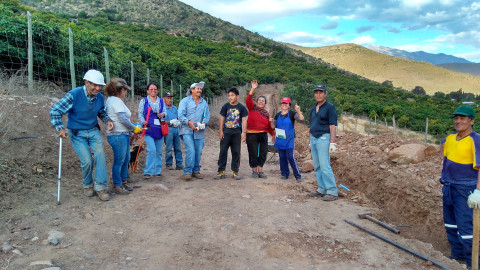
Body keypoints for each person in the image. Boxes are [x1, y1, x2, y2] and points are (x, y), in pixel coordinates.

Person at [50, 69, 113, 201]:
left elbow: (101, 111)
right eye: (94, 85)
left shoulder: (100, 97)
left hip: (93, 130)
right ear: (86, 82)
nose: (97, 88)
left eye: (99, 85)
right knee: (87, 161)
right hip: (77, 132)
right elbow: (55, 110)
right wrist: (60, 128)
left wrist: (108, 121)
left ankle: (101, 187)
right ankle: (88, 184)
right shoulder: (74, 95)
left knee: (100, 155)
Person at [440, 105, 480, 267]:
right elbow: (445, 159)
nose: (458, 121)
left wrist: (477, 191)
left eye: (462, 118)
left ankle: (473, 263)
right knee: (450, 224)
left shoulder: (476, 140)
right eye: (456, 118)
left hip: (465, 189)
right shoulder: (450, 139)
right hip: (449, 187)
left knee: (466, 228)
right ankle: (457, 257)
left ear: (472, 121)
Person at [105, 78, 142, 195]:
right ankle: (117, 184)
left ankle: (122, 181)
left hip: (121, 134)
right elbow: (122, 119)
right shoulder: (116, 101)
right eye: (125, 89)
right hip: (118, 134)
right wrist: (133, 128)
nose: (126, 92)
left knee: (125, 159)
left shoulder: (112, 100)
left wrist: (130, 131)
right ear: (119, 89)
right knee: (120, 160)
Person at [307, 85, 339, 201]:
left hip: (324, 138)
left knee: (325, 165)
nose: (318, 95)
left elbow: (332, 126)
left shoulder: (329, 107)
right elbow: (311, 126)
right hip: (314, 139)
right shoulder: (313, 108)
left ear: (325, 94)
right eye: (316, 92)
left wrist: (332, 143)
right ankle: (322, 189)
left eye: (321, 92)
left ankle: (332, 191)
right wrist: (310, 143)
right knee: (317, 165)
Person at [178, 81, 210, 180]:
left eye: (200, 89)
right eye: (198, 88)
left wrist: (204, 123)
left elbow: (206, 115)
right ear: (192, 90)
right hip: (187, 129)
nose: (200, 90)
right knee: (190, 150)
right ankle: (187, 171)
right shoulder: (185, 101)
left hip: (199, 131)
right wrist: (189, 122)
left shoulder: (204, 102)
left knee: (198, 151)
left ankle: (196, 171)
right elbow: (180, 115)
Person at [215, 88, 248, 180]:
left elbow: (244, 120)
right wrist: (221, 131)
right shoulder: (225, 106)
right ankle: (221, 171)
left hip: (237, 132)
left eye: (232, 95)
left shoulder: (241, 107)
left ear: (237, 96)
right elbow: (222, 118)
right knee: (223, 151)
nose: (230, 97)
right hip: (226, 132)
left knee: (236, 152)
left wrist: (244, 133)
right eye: (229, 96)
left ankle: (235, 171)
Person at [245, 80, 275, 178]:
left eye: (263, 101)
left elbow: (269, 127)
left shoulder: (266, 113)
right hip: (251, 134)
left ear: (265, 103)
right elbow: (248, 100)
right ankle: (254, 171)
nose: (261, 102)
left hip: (263, 134)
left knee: (263, 152)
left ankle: (260, 170)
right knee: (253, 152)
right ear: (257, 102)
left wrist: (273, 134)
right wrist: (253, 88)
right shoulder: (252, 108)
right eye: (259, 100)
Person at [272, 96, 304, 182]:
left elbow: (301, 119)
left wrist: (298, 111)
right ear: (281, 104)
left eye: (286, 103)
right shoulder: (277, 115)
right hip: (280, 139)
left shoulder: (292, 114)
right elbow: (273, 126)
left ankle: (297, 175)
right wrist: (270, 121)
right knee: (282, 157)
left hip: (289, 139)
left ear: (289, 105)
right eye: (283, 103)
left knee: (290, 157)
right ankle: (285, 173)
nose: (284, 105)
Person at [138, 82, 166, 179]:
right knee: (152, 149)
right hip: (149, 128)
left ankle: (157, 171)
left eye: (155, 89)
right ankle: (148, 171)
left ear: (157, 90)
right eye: (151, 89)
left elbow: (165, 112)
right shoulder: (144, 101)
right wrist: (143, 121)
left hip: (159, 129)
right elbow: (140, 114)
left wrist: (163, 114)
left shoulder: (162, 101)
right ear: (147, 91)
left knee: (158, 151)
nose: (153, 91)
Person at [162, 92, 183, 170]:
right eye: (168, 98)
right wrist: (170, 122)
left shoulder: (174, 108)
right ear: (164, 99)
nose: (169, 100)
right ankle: (169, 164)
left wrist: (177, 121)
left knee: (178, 147)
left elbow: (178, 117)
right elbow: (161, 121)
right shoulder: (163, 109)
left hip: (176, 129)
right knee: (169, 147)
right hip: (168, 129)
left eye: (170, 98)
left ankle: (179, 164)